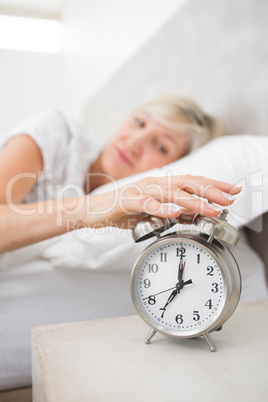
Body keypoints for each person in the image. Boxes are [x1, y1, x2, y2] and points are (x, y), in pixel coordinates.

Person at [0, 95, 240, 254]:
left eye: (160, 146)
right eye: (139, 123)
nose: (134, 142)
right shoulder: (56, 134)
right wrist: (88, 210)